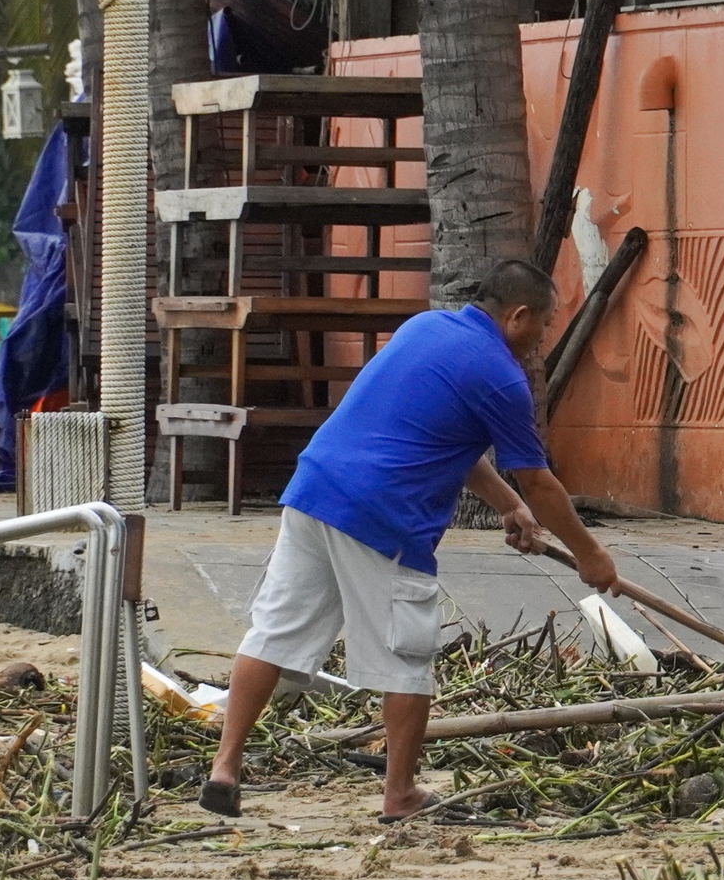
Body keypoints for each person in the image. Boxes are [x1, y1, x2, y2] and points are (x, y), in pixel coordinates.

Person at [204, 257, 618, 820]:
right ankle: (399, 795)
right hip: (382, 516)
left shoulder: (425, 328)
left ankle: (224, 768)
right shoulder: (502, 376)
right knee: (407, 659)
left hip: (314, 490)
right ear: (518, 316)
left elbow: (446, 440)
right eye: (544, 324)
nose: (544, 338)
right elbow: (541, 482)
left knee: (273, 632)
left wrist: (508, 506)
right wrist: (592, 554)